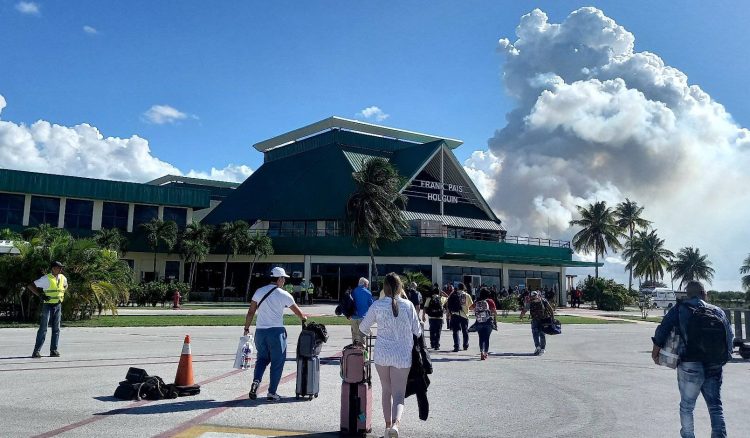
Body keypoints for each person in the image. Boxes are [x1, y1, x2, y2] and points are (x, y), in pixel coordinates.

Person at [651, 281, 733, 438]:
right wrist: (723, 359)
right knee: (715, 406)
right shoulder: (717, 311)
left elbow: (662, 330)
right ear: (704, 293)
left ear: (687, 294)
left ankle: (688, 436)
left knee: (687, 406)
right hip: (714, 364)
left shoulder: (680, 309)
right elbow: (729, 336)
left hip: (690, 363)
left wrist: (655, 353)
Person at [359, 273, 421, 438]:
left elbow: (363, 328)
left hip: (382, 355)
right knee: (399, 394)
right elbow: (418, 331)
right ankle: (396, 425)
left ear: (384, 288)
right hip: (402, 356)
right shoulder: (408, 305)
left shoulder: (377, 305)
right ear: (400, 287)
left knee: (386, 391)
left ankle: (387, 427)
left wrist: (373, 331)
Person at [243, 267, 308, 401]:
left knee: (261, 359)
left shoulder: (259, 292)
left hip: (260, 332)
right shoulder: (284, 294)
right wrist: (304, 318)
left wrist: (246, 328)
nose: (284, 281)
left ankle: (256, 381)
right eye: (283, 278)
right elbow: (298, 312)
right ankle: (272, 392)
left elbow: (251, 312)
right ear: (278, 279)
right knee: (277, 363)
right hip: (276, 332)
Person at [29, 261, 68, 358]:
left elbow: (66, 285)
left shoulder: (63, 278)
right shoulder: (46, 278)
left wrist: (63, 289)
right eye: (58, 268)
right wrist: (40, 295)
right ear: (53, 268)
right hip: (47, 305)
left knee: (56, 329)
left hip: (58, 305)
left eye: (61, 268)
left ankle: (53, 350)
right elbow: (31, 286)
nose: (60, 269)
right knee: (43, 329)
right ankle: (36, 351)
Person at [469, 288, 497, 360]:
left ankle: (481, 352)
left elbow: (470, 308)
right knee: (486, 338)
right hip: (488, 322)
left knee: (481, 337)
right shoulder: (490, 301)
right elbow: (495, 312)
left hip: (479, 322)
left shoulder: (478, 302)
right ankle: (485, 353)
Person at [447, 283, 473, 352]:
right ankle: (465, 345)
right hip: (464, 315)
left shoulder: (453, 294)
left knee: (455, 331)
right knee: (465, 331)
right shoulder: (467, 295)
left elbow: (449, 304)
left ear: (457, 288)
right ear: (464, 288)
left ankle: (456, 346)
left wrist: (449, 313)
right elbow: (471, 306)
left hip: (455, 314)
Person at [529, 291, 554, 355]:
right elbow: (550, 309)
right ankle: (542, 348)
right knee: (541, 334)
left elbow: (526, 309)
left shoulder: (531, 301)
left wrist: (521, 315)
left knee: (535, 334)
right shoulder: (543, 300)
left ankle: (538, 347)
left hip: (535, 319)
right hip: (543, 319)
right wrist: (552, 317)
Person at [351, 277, 374, 345]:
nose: (367, 286)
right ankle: (363, 353)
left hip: (354, 317)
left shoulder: (354, 291)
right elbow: (371, 305)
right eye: (367, 284)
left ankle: (354, 352)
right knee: (362, 336)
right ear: (364, 284)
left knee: (355, 336)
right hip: (363, 317)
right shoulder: (368, 293)